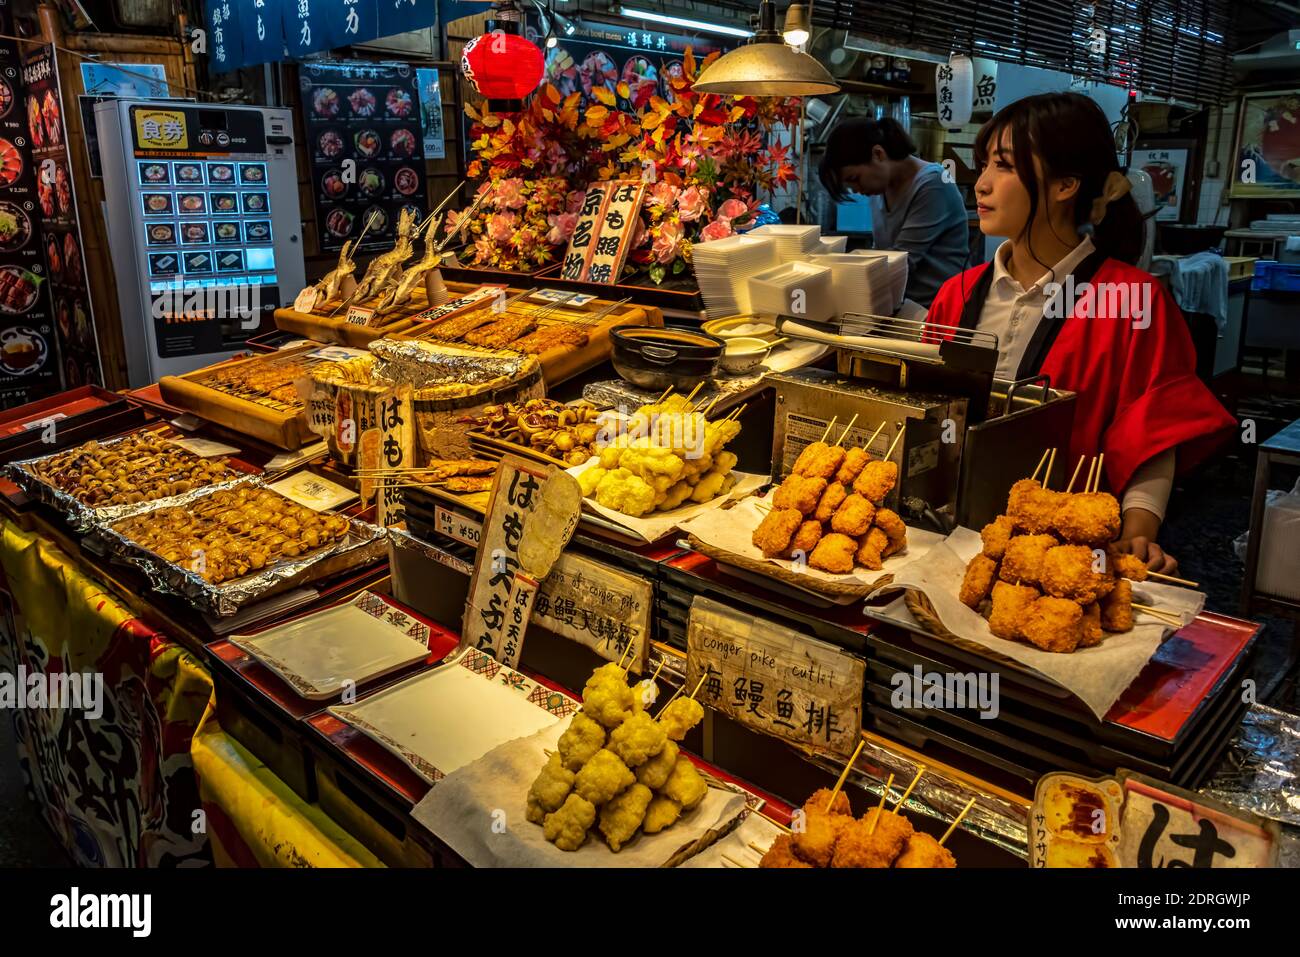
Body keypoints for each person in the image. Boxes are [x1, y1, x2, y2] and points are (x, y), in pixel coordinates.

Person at [925, 92, 1235, 573]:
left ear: (1065, 184)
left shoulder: (1133, 299)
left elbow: (1153, 432)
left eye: (1003, 166)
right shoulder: (956, 294)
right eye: (984, 164)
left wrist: (1139, 534)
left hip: (1061, 556)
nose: (981, 184)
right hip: (946, 540)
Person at [818, 117, 968, 306]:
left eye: (855, 178)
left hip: (941, 309)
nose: (857, 189)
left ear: (878, 154)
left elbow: (902, 260)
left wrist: (833, 279)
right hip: (904, 305)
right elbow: (883, 254)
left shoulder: (934, 183)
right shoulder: (880, 188)